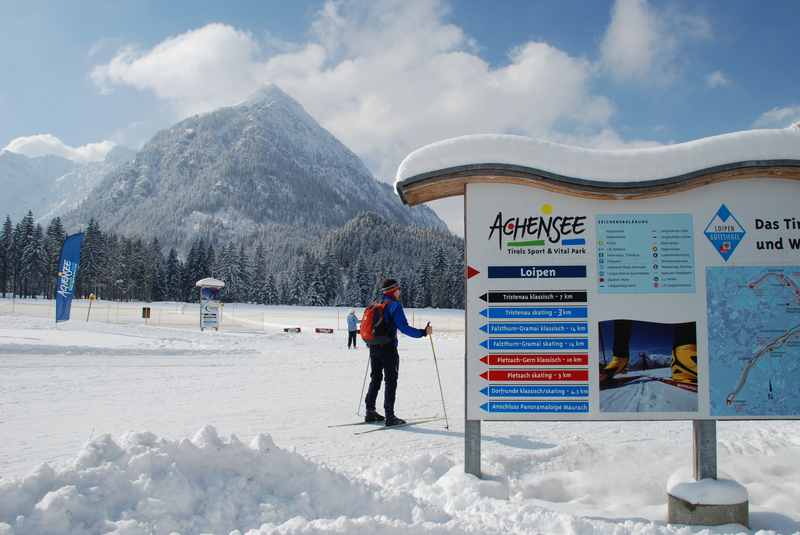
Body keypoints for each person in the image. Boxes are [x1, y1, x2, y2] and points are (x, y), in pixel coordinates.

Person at [364, 278, 433, 426]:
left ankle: (370, 411)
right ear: (393, 291)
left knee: (375, 378)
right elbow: (404, 328)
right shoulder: (394, 306)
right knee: (391, 381)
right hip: (388, 348)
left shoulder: (377, 303)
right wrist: (423, 332)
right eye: (398, 289)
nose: (400, 291)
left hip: (374, 347)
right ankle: (390, 416)